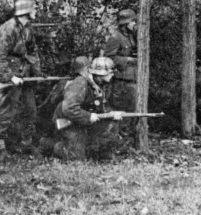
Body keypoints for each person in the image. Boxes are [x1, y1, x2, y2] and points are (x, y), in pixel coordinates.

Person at [0, 0, 42, 154]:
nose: (36, 12)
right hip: (9, 73)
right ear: (27, 11)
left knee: (30, 108)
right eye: (34, 9)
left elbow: (33, 52)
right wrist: (10, 77)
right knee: (6, 109)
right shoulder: (8, 29)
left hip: (25, 74)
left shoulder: (27, 29)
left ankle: (26, 143)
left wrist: (37, 74)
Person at [48, 57, 122, 161]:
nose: (112, 74)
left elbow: (100, 106)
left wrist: (111, 114)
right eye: (110, 72)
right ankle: (52, 146)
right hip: (69, 122)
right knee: (76, 159)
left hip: (82, 121)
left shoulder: (98, 85)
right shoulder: (80, 83)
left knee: (111, 123)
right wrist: (89, 116)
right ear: (100, 73)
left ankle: (104, 156)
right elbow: (69, 108)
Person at [103, 9, 137, 139]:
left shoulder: (130, 36)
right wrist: (126, 60)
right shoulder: (115, 38)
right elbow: (108, 58)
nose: (134, 24)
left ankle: (125, 139)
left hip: (131, 79)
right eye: (132, 21)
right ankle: (118, 140)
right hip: (121, 81)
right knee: (121, 111)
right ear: (125, 23)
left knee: (132, 111)